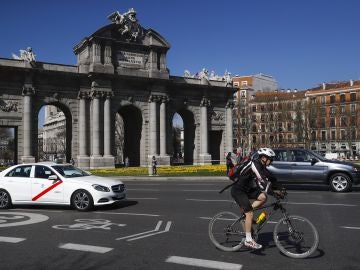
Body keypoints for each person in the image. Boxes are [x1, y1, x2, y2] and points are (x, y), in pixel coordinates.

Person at [230, 148, 283, 250]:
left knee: (263, 197)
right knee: (250, 212)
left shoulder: (262, 166)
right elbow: (263, 181)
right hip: (239, 191)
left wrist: (281, 188)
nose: (271, 161)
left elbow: (271, 178)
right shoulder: (254, 165)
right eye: (270, 159)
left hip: (248, 190)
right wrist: (274, 193)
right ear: (264, 158)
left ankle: (246, 213)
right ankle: (248, 240)